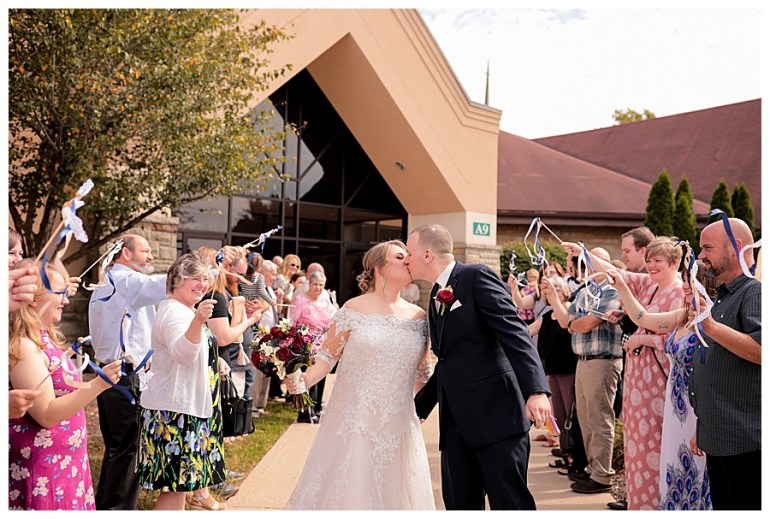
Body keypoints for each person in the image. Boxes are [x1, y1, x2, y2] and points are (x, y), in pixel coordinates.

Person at [407, 224, 551, 510]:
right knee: (460, 506)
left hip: (497, 419)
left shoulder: (475, 277)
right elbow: (449, 361)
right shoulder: (436, 294)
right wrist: (417, 408)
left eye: (408, 254)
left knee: (510, 504)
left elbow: (515, 334)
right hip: (455, 427)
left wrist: (536, 390)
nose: (406, 260)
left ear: (426, 254)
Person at [284, 240, 435, 509]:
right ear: (379, 267)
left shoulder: (420, 317)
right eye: (400, 257)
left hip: (398, 423)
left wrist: (413, 407)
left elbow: (422, 373)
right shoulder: (352, 310)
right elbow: (326, 359)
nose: (408, 261)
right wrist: (302, 380)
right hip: (356, 421)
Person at [563, 238, 684, 509]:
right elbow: (615, 273)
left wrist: (642, 340)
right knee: (636, 444)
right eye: (649, 261)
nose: (651, 266)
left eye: (658, 261)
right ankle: (637, 502)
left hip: (658, 380)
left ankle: (654, 505)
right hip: (638, 378)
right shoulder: (649, 285)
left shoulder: (678, 292)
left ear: (675, 263)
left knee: (654, 446)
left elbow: (677, 341)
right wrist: (583, 253)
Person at [9, 259, 122, 510]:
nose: (66, 299)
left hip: (67, 464)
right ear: (34, 298)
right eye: (58, 293)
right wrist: (98, 385)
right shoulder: (24, 345)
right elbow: (46, 414)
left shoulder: (44, 335)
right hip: (43, 469)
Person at [605, 263, 714, 510]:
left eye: (690, 280)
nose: (685, 285)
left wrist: (704, 421)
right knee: (672, 469)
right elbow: (642, 318)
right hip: (675, 408)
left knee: (696, 474)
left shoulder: (712, 320)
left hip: (696, 408)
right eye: (685, 280)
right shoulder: (681, 315)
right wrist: (622, 287)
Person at [136, 252, 226, 510]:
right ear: (177, 280)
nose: (202, 284)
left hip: (183, 408)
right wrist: (198, 320)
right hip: (176, 413)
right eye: (195, 279)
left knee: (180, 488)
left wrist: (213, 360)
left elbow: (194, 350)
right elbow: (183, 354)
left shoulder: (182, 308)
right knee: (174, 490)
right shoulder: (176, 312)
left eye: (205, 279)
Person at [87, 233, 167, 510]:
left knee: (117, 448)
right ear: (126, 253)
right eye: (145, 251)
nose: (150, 256)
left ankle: (106, 505)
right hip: (123, 374)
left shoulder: (107, 281)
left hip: (109, 374)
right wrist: (205, 266)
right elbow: (165, 284)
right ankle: (117, 509)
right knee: (127, 448)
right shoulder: (127, 281)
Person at [689, 218, 761, 510]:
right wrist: (704, 423)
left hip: (745, 442)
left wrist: (713, 328)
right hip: (719, 437)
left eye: (707, 248)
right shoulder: (723, 296)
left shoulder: (754, 293)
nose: (701, 255)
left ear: (736, 248)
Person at [547, 247, 623, 496]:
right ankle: (593, 469)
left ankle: (602, 475)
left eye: (591, 260)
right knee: (587, 420)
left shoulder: (612, 290)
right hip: (583, 360)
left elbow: (588, 322)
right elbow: (565, 320)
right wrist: (554, 299)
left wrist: (573, 323)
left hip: (602, 360)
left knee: (599, 419)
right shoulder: (584, 292)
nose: (587, 265)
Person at [204, 245, 261, 440]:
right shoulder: (216, 297)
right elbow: (223, 336)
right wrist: (250, 321)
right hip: (224, 360)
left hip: (232, 359)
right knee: (220, 418)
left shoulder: (226, 294)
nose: (241, 279)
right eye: (239, 274)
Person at [288, 270, 337, 423]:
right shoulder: (299, 299)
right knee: (305, 377)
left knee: (320, 377)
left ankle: (316, 408)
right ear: (309, 284)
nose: (318, 288)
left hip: (322, 344)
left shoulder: (325, 298)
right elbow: (291, 322)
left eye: (321, 285)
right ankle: (304, 412)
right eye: (315, 284)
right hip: (303, 344)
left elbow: (332, 317)